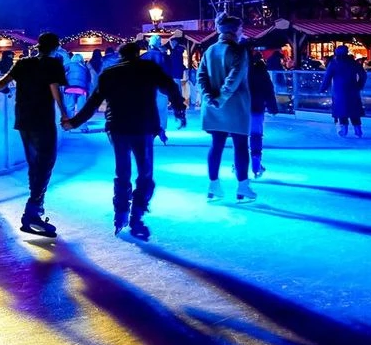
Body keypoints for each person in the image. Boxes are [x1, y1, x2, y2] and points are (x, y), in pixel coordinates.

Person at [61, 42, 186, 239]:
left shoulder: (109, 73)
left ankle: (120, 213)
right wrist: (179, 108)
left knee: (122, 171)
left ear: (120, 56)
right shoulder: (149, 68)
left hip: (117, 127)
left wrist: (74, 122)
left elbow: (93, 103)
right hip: (142, 127)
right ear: (138, 54)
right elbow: (170, 86)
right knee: (145, 173)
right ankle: (136, 214)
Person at [0, 32, 66, 237]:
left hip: (24, 120)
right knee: (46, 164)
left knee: (35, 164)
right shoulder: (53, 63)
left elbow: (2, 82)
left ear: (38, 46)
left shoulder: (23, 63)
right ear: (55, 47)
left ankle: (35, 211)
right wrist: (65, 115)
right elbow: (55, 89)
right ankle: (33, 212)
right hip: (42, 121)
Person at [198, 14, 255, 202]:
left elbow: (201, 77)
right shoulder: (239, 51)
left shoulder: (210, 51)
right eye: (240, 29)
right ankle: (243, 186)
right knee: (240, 146)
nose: (242, 32)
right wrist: (221, 98)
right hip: (236, 107)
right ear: (233, 31)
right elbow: (235, 77)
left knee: (216, 145)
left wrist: (209, 98)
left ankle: (213, 185)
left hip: (214, 108)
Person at [320, 45, 367, 137]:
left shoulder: (334, 63)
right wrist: (359, 85)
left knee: (342, 110)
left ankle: (344, 130)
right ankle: (358, 130)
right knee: (354, 110)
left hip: (339, 90)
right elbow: (363, 75)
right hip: (353, 89)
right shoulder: (353, 62)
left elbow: (327, 77)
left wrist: (323, 88)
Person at [247, 49, 280, 177]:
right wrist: (272, 107)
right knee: (255, 135)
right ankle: (256, 162)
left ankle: (238, 163)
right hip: (256, 107)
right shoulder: (261, 70)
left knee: (240, 137)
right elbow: (268, 89)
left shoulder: (238, 69)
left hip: (240, 109)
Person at [62, 52, 94, 121]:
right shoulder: (84, 67)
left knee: (70, 107)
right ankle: (83, 127)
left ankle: (68, 124)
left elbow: (61, 73)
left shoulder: (69, 65)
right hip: (82, 89)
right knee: (81, 108)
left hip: (69, 88)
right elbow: (89, 79)